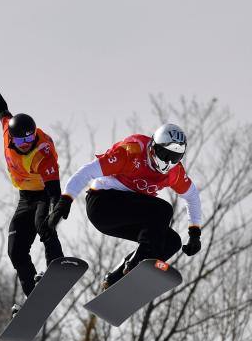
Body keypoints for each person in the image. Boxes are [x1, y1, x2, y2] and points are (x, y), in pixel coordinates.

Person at [47, 123, 202, 288]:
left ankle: (115, 278)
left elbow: (192, 196)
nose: (168, 162)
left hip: (126, 215)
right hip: (102, 204)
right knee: (163, 210)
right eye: (165, 155)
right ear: (153, 147)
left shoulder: (174, 172)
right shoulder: (131, 152)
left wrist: (194, 233)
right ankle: (139, 261)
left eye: (175, 158)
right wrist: (65, 200)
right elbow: (86, 171)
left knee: (171, 242)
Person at [0, 65, 64, 315]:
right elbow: (0, 108)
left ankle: (56, 264)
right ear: (13, 139)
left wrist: (55, 211)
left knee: (42, 223)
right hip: (25, 198)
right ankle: (35, 298)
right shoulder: (7, 133)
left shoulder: (42, 151)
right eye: (22, 140)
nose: (27, 144)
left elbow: (55, 190)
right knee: (15, 251)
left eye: (30, 138)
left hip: (45, 194)